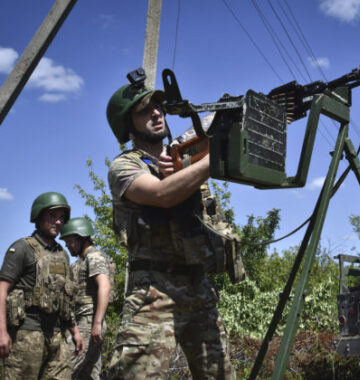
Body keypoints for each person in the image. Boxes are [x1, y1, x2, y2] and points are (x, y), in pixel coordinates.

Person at [105, 79, 236, 379]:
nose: (156, 113)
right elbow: (163, 195)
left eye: (157, 106)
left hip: (200, 286)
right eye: (143, 111)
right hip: (154, 291)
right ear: (128, 124)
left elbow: (212, 126)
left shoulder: (186, 156)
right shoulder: (124, 167)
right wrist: (215, 157)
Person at [0, 192, 85, 379]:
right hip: (26, 334)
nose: (58, 222)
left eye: (62, 217)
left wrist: (75, 333)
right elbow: (2, 290)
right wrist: (2, 332)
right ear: (38, 217)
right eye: (52, 216)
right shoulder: (22, 248)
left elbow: (66, 297)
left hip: (56, 336)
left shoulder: (62, 254)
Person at [60, 217, 112, 379]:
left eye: (69, 241)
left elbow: (104, 286)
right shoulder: (81, 262)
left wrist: (96, 324)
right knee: (89, 374)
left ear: (81, 237)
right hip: (84, 322)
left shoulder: (94, 257)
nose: (67, 245)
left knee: (63, 370)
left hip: (88, 323)